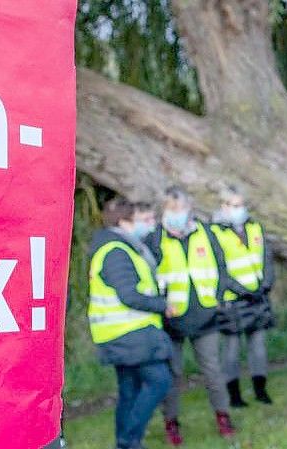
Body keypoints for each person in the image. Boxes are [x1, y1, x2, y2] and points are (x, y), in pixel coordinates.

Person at [147, 186, 247, 445]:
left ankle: (223, 417)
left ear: (190, 209)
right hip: (171, 319)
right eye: (172, 210)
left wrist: (217, 297)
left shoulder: (205, 232)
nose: (178, 214)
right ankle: (171, 423)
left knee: (212, 371)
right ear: (164, 211)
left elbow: (221, 267)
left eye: (181, 209)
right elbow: (148, 277)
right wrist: (160, 306)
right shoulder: (154, 238)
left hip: (205, 315)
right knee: (173, 375)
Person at [87, 197, 175, 449]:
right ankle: (129, 439)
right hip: (128, 334)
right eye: (140, 220)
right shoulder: (116, 251)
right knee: (159, 381)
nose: (147, 225)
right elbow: (129, 295)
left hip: (123, 335)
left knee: (130, 389)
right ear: (125, 222)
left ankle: (125, 442)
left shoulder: (121, 247)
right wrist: (161, 305)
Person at [210, 184, 276, 407]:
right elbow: (218, 269)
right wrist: (242, 291)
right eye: (235, 205)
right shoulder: (215, 232)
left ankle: (260, 389)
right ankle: (235, 395)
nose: (240, 209)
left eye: (242, 205)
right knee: (231, 350)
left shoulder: (255, 227)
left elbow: (266, 258)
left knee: (258, 347)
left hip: (258, 297)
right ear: (224, 206)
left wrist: (264, 285)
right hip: (233, 300)